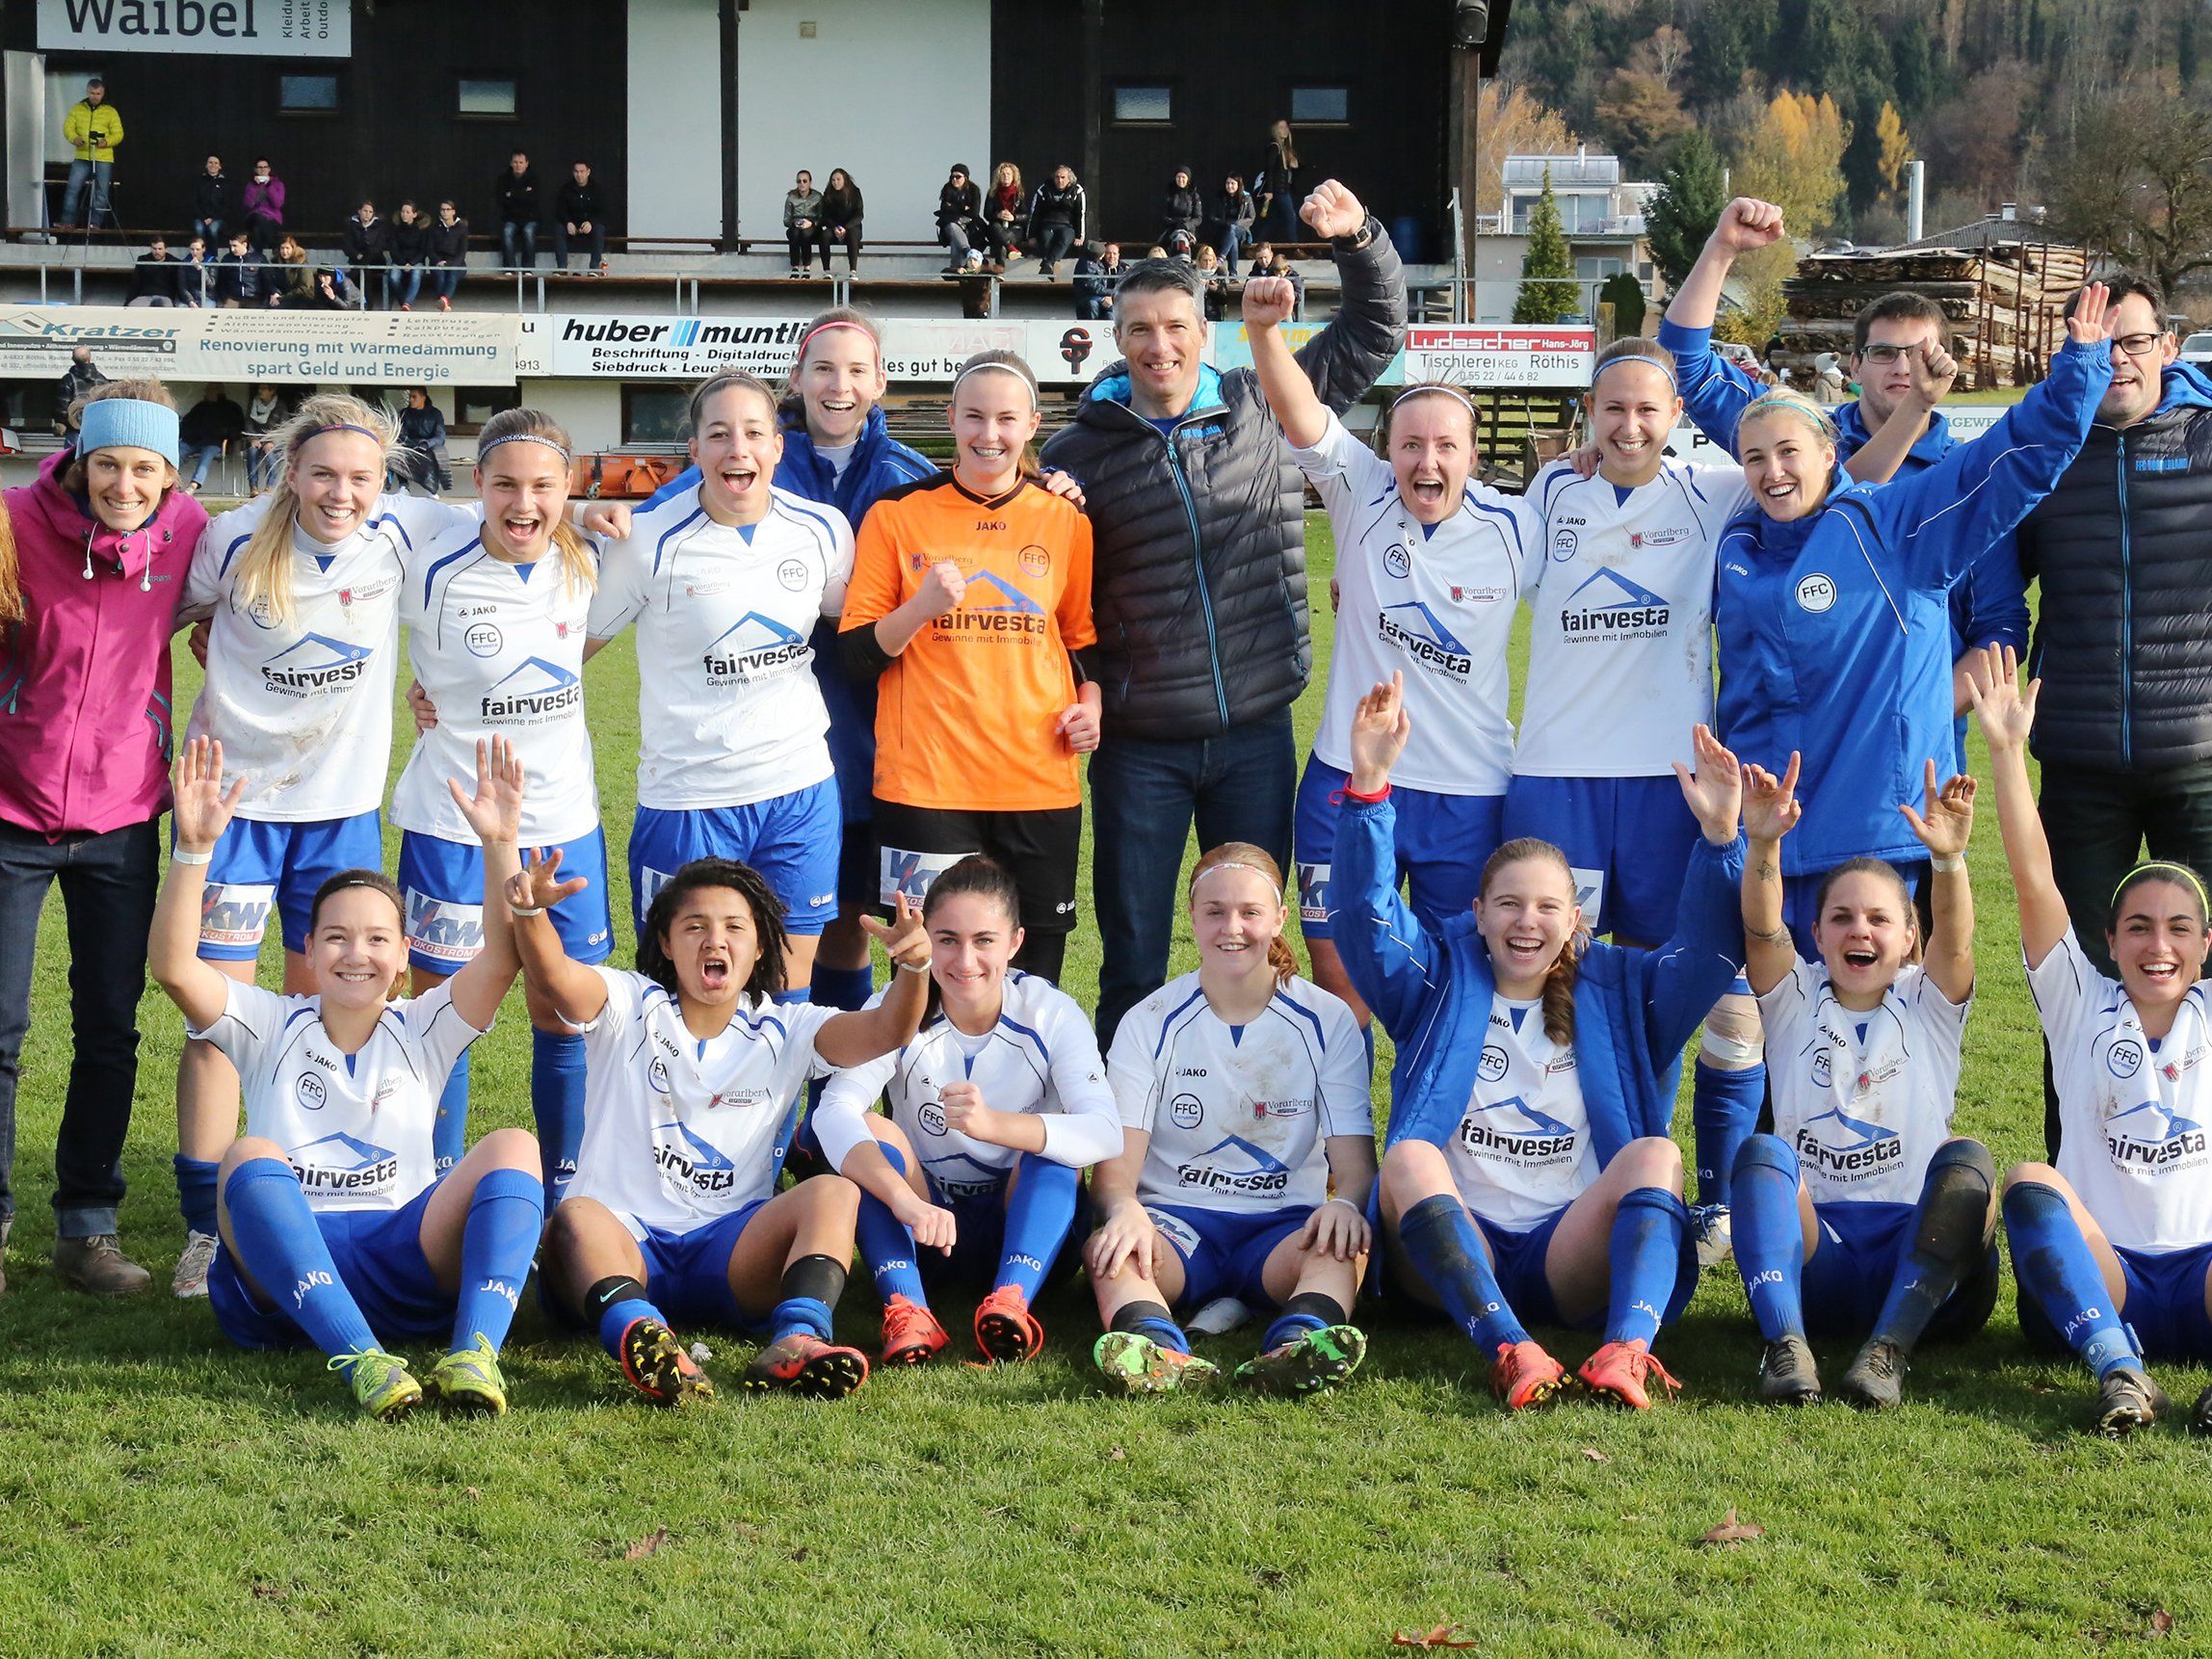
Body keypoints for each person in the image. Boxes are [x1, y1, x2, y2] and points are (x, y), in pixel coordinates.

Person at [1040, 183, 1406, 1044]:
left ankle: (1268, 1117)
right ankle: (1118, 1148)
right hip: (1140, 748)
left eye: (1175, 327)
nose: (1158, 345)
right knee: (1131, 954)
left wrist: (1356, 235)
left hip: (1253, 733)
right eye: (1139, 329)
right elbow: (1056, 600)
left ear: (1204, 334)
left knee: (1256, 947)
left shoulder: (1263, 401)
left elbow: (1375, 330)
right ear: (1116, 337)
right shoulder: (1074, 453)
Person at [1353, 691, 1749, 1410]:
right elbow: (1368, 922)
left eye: (1545, 908)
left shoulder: (1622, 988)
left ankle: (1627, 1351)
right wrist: (1371, 792)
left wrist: (1723, 839)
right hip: (1449, 1242)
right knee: (1409, 1157)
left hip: (1568, 1251)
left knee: (1658, 1156)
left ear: (1576, 920)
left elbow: (1709, 954)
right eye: (1507, 904)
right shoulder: (1438, 978)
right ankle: (1509, 1348)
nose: (1525, 922)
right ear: (1477, 914)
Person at [1705, 287, 2114, 959]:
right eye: (1754, 458)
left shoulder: (1892, 526)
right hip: (1768, 831)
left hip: (1873, 833)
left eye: (1789, 453)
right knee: (1778, 1035)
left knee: (1883, 1042)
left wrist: (2080, 368)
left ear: (1829, 454)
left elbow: (2014, 458)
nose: (1773, 472)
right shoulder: (1738, 541)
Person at [169, 396, 466, 1297]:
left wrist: (607, 512)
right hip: (233, 810)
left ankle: (299, 1197)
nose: (343, 493)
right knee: (217, 1017)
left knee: (316, 1015)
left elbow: (513, 518)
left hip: (338, 812)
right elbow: (166, 613)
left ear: (385, 482)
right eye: (324, 474)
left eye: (361, 478)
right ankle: (204, 1224)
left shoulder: (405, 531)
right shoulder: (232, 537)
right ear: (289, 472)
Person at [151, 734, 543, 1417]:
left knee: (515, 1146)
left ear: (402, 957)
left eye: (376, 939)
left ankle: (476, 1353)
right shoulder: (270, 1022)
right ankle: (363, 1359)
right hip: (289, 1267)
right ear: (307, 948)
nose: (355, 953)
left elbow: (503, 959)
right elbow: (176, 969)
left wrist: (500, 842)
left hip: (405, 1254)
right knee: (248, 1156)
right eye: (335, 936)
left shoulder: (423, 1024)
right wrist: (192, 849)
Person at [1512, 344, 1759, 1262]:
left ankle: (1718, 1196)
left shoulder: (1718, 488)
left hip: (1672, 785)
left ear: (1678, 416)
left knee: (1700, 980)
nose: (1629, 428)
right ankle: (1583, 1168)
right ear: (1588, 412)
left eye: (1648, 411)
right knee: (1558, 984)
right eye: (1612, 410)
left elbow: (1811, 454)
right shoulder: (1549, 495)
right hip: (1556, 777)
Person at [521, 855, 934, 1404]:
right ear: (666, 943)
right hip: (625, 1243)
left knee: (834, 1191)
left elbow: (886, 1030)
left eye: (735, 927)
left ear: (760, 946)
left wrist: (914, 968)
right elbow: (555, 978)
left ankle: (798, 1341)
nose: (715, 941)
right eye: (695, 927)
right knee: (575, 1216)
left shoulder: (788, 1028)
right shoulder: (628, 1003)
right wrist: (529, 915)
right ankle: (642, 1338)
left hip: (731, 1252)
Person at [1243, 275, 1531, 1037]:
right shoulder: (1360, 493)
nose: (1425, 461)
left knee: (1455, 979)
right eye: (1410, 444)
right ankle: (1348, 1157)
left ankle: (1432, 1147)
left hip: (1465, 792)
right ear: (1386, 450)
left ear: (1473, 455)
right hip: (1345, 774)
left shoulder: (1520, 526)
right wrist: (1266, 333)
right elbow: (1301, 415)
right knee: (1337, 971)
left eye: (1445, 446)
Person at [1661, 198, 2030, 781]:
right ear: (1854, 365)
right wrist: (1722, 249)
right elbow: (1686, 366)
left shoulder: (1961, 482)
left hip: (1903, 763)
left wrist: (1906, 707)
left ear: (1946, 362)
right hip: (1774, 754)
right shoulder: (1794, 442)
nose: (1903, 367)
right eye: (1885, 353)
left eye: (1920, 352)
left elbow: (2000, 633)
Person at [0, 381, 209, 1297]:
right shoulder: (12, 521)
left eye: (144, 469)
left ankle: (87, 1227)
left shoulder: (193, 532)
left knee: (110, 1029)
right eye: (109, 465)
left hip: (124, 814)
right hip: (8, 808)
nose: (125, 484)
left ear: (169, 475)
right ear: (80, 462)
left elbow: (330, 525)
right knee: (1, 1029)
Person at [1978, 648, 2212, 1435]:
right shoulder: (2079, 1004)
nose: (2159, 947)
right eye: (2138, 928)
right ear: (2107, 941)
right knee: (2029, 1179)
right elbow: (2035, 880)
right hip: (2101, 1283)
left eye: (2179, 930)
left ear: (2205, 944)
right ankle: (2119, 1373)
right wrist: (2009, 754)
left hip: (2205, 1280)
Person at [1730, 747, 1998, 1409]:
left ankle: (1889, 1352)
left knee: (1967, 1164)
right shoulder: (1795, 998)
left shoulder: (1928, 1003)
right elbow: (1762, 930)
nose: (1860, 930)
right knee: (1762, 1154)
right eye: (1843, 918)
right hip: (1821, 1259)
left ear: (1911, 937)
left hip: (1926, 1264)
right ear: (1817, 935)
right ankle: (1788, 1347)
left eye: (1880, 918)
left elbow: (1958, 944)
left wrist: (1948, 860)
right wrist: (1763, 842)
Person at [2013, 272, 2212, 1155]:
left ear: (2170, 345)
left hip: (2198, 759)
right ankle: (2076, 1182)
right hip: (2080, 762)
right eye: (2094, 344)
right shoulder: (2042, 448)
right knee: (2080, 985)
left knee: (2202, 985)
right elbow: (1977, 568)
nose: (2115, 361)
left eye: (2132, 340)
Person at [392, 408, 613, 1207]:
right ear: (475, 484)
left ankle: (565, 1197)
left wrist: (590, 515)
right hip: (452, 823)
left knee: (564, 1012)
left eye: (544, 487)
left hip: (563, 824)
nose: (525, 503)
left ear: (569, 487)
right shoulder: (426, 559)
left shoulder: (594, 558)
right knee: (443, 1017)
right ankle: (431, 1191)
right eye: (506, 484)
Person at [591, 372, 856, 1002]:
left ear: (777, 448)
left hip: (798, 791)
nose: (737, 448)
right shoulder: (647, 543)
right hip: (688, 799)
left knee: (787, 999)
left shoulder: (823, 530)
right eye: (718, 434)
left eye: (753, 433)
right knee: (680, 999)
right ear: (695, 452)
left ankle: (783, 1109)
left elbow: (861, 636)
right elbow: (570, 646)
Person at [840, 352, 1097, 985]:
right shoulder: (897, 514)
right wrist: (923, 606)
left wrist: (1090, 703)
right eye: (975, 416)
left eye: (1007, 418)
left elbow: (1080, 642)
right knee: (925, 977)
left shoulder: (1064, 519)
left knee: (1033, 980)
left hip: (1037, 780)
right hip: (925, 785)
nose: (990, 434)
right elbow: (855, 656)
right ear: (951, 419)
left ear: (1032, 423)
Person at [1084, 842, 1376, 1396]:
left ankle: (1299, 1344)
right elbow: (1116, 1173)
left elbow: (1357, 1169)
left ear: (1280, 919)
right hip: (1176, 1227)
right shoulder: (1149, 1021)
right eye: (1214, 912)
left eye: (1250, 912)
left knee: (1345, 1244)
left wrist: (1343, 1206)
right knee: (1111, 1252)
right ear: (1191, 917)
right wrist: (1124, 1210)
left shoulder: (1327, 1019)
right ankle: (1154, 1348)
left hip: (1283, 1226)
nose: (1232, 928)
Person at [811, 855, 1121, 1366]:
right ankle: (908, 1308)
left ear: (1016, 942)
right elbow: (831, 1112)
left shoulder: (1050, 1011)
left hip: (1024, 1229)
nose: (965, 961)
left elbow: (1105, 1132)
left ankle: (1011, 1302)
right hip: (927, 1228)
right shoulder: (897, 1006)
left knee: (1057, 1146)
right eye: (947, 940)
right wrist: (904, 1201)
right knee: (866, 1132)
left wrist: (994, 1125)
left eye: (984, 941)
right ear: (923, 939)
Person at [58, 77, 121, 231]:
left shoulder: (110, 111)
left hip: (103, 157)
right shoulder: (77, 108)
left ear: (103, 93)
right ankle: (67, 222)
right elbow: (68, 128)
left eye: (98, 93)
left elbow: (119, 133)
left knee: (101, 192)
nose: (95, 96)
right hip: (82, 156)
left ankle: (95, 223)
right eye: (92, 93)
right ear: (88, 92)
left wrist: (106, 141)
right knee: (73, 188)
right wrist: (75, 138)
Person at [176, 384, 244, 494]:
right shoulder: (201, 406)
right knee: (178, 451)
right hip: (194, 440)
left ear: (218, 392)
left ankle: (193, 485)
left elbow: (238, 428)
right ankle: (169, 479)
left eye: (209, 390)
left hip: (215, 442)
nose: (205, 393)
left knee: (206, 456)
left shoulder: (231, 407)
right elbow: (187, 423)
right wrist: (186, 434)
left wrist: (224, 435)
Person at [1026, 164, 1088, 277]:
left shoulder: (1077, 191)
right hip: (1047, 224)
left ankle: (1048, 263)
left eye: (1063, 177)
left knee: (1065, 238)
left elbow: (1081, 214)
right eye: (1057, 177)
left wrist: (1080, 236)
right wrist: (1031, 235)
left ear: (1069, 179)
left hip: (1067, 226)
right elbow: (1035, 213)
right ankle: (1049, 265)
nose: (1060, 180)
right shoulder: (1043, 189)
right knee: (1045, 239)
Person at [555, 161, 607, 274]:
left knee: (599, 229)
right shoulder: (566, 189)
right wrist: (567, 222)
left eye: (582, 171)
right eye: (576, 172)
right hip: (571, 225)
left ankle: (594, 268)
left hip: (589, 225)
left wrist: (591, 223)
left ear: (588, 172)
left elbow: (602, 212)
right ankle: (562, 268)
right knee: (559, 229)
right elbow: (560, 210)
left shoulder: (597, 189)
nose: (579, 175)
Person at [394, 386, 449, 492]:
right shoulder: (404, 413)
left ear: (423, 398)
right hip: (409, 446)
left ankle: (431, 488)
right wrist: (413, 444)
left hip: (429, 446)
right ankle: (404, 486)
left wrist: (427, 444)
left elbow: (440, 437)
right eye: (410, 397)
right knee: (396, 452)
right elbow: (401, 434)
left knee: (438, 453)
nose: (411, 400)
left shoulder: (435, 414)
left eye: (414, 397)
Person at [1254, 119, 1302, 242]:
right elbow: (1269, 170)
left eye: (1286, 127)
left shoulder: (1285, 149)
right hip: (1279, 190)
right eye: (1281, 127)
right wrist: (1269, 191)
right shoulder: (1274, 147)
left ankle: (1257, 244)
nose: (1285, 130)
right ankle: (1295, 246)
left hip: (1282, 188)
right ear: (1275, 130)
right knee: (1291, 217)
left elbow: (1294, 167)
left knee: (1273, 219)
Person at [934, 165, 984, 274]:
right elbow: (944, 209)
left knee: (955, 240)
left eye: (958, 177)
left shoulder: (974, 190)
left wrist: (954, 207)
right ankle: (968, 253)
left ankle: (956, 268)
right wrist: (963, 207)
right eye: (952, 177)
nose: (954, 179)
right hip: (948, 225)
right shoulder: (947, 189)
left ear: (965, 178)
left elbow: (974, 212)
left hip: (968, 225)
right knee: (952, 227)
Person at [341, 200, 391, 308]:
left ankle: (363, 300)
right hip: (357, 260)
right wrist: (357, 255)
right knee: (365, 271)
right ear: (359, 211)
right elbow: (347, 246)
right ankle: (368, 303)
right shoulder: (351, 226)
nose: (367, 214)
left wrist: (366, 257)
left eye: (370, 211)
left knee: (364, 268)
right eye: (365, 211)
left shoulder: (379, 226)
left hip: (376, 261)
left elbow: (380, 246)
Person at [497, 151, 540, 271]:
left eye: (521, 162)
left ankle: (528, 269)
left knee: (528, 232)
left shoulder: (534, 179)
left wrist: (512, 194)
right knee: (507, 232)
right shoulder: (503, 179)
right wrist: (524, 193)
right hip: (511, 218)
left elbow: (532, 200)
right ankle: (510, 269)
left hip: (530, 218)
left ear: (527, 164)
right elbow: (502, 200)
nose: (518, 165)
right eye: (515, 162)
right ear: (511, 163)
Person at [241, 384, 287, 492]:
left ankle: (269, 487)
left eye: (263, 389)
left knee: (271, 455)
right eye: (259, 388)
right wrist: (253, 438)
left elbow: (285, 426)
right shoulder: (253, 403)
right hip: (256, 439)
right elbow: (248, 423)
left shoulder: (280, 405)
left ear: (272, 391)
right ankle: (253, 487)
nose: (259, 391)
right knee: (252, 453)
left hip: (274, 440)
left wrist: (272, 441)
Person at [1208, 174, 1256, 276]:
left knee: (1233, 229)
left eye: (1233, 183)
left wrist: (1237, 223)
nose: (1230, 186)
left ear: (1238, 185)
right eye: (1228, 183)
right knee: (1232, 238)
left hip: (1241, 231)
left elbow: (1251, 218)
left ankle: (1221, 257)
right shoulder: (1220, 197)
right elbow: (1212, 216)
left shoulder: (1246, 197)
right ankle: (1233, 273)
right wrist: (1225, 223)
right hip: (1223, 231)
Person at [819, 168, 863, 276]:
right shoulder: (828, 193)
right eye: (833, 180)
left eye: (838, 179)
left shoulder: (855, 192)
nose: (835, 182)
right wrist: (835, 227)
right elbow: (825, 216)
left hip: (851, 227)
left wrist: (846, 228)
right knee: (824, 235)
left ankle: (853, 271)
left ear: (845, 180)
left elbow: (859, 214)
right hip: (834, 227)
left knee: (852, 234)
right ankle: (826, 270)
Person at [427, 199, 469, 310]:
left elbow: (462, 251)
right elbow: (430, 249)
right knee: (440, 277)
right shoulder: (434, 227)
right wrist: (437, 261)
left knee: (452, 275)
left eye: (448, 209)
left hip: (457, 263)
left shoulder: (462, 228)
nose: (445, 212)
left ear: (453, 212)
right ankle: (445, 303)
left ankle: (443, 300)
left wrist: (451, 264)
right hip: (438, 262)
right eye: (442, 210)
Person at [784, 170, 827, 277]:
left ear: (810, 182)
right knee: (795, 233)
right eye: (799, 181)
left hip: (813, 226)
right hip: (796, 225)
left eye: (804, 181)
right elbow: (786, 220)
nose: (802, 184)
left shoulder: (817, 196)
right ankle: (794, 266)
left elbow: (822, 218)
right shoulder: (791, 197)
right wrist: (794, 223)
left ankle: (807, 267)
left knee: (805, 234)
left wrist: (811, 223)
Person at [54, 347, 107, 433]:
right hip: (97, 429)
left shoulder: (68, 380)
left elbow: (62, 408)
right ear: (90, 358)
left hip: (75, 430)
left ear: (73, 360)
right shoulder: (102, 380)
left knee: (75, 447)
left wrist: (66, 423)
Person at [387, 200, 429, 311]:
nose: (404, 214)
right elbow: (393, 249)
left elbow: (423, 251)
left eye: (407, 212)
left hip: (416, 262)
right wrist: (403, 263)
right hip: (399, 261)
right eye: (403, 212)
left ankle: (407, 303)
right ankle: (404, 303)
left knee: (416, 276)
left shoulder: (421, 231)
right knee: (393, 278)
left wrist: (412, 263)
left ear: (414, 215)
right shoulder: (395, 230)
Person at [212, 231, 267, 309]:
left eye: (235, 246)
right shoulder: (227, 259)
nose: (232, 249)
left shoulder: (259, 259)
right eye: (230, 246)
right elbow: (221, 282)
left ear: (244, 244)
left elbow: (267, 280)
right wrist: (224, 299)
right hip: (232, 299)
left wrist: (265, 299)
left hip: (254, 299)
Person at [242, 158, 285, 258]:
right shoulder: (250, 185)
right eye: (260, 167)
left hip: (272, 219)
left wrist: (268, 186)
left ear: (269, 169)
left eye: (265, 167)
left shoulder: (278, 184)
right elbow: (248, 204)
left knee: (257, 230)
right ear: (255, 170)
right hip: (254, 217)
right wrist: (256, 186)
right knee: (258, 218)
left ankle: (258, 258)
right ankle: (275, 247)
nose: (262, 170)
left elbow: (277, 204)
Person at [985, 162, 1024, 268]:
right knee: (995, 228)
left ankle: (1000, 268)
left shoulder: (1019, 193)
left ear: (1013, 177)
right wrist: (998, 215)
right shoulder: (992, 193)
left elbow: (1027, 215)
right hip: (997, 226)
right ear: (998, 177)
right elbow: (986, 214)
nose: (1006, 176)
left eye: (1008, 174)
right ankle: (1011, 248)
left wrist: (1014, 217)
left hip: (1015, 228)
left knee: (1001, 239)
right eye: (1003, 174)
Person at [1160, 166, 1204, 258]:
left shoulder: (1194, 195)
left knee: (1181, 238)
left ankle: (1183, 261)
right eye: (1178, 177)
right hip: (1172, 228)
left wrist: (1186, 225)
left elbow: (1198, 218)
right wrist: (1175, 223)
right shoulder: (1169, 193)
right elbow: (1164, 215)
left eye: (1183, 177)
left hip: (1188, 230)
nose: (1180, 180)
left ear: (1188, 179)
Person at [1072, 241, 1122, 320]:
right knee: (1093, 304)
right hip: (1093, 298)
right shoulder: (1091, 264)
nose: (1111, 256)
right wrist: (1108, 296)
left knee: (1111, 314)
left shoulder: (1123, 269)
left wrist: (1112, 298)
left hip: (1110, 299)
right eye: (1108, 253)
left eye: (1114, 253)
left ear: (1119, 255)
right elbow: (1092, 286)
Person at [127, 238, 183, 307]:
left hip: (165, 297)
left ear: (165, 249)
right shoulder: (143, 260)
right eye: (154, 248)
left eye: (160, 249)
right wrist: (127, 302)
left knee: (167, 310)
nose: (157, 251)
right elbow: (135, 282)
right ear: (150, 248)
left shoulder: (174, 262)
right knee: (131, 308)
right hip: (145, 296)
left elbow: (181, 284)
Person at [192, 153, 229, 246]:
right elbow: (194, 203)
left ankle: (213, 256)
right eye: (210, 162)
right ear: (206, 165)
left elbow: (227, 205)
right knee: (199, 229)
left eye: (216, 163)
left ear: (220, 166)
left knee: (213, 228)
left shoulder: (225, 183)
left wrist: (213, 218)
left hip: (218, 218)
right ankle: (201, 256)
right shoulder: (199, 181)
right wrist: (204, 218)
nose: (213, 165)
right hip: (201, 218)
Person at [178, 235, 217, 308]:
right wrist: (190, 301)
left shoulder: (212, 262)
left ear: (204, 249)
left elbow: (211, 285)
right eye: (192, 249)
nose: (194, 252)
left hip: (207, 298)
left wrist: (200, 269)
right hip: (188, 299)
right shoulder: (184, 263)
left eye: (198, 249)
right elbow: (182, 287)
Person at [1193, 245, 1229, 321]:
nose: (1207, 263)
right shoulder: (1192, 271)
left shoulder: (1219, 272)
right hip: (1194, 312)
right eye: (1205, 260)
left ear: (1214, 260)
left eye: (1210, 260)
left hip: (1213, 313)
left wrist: (1215, 288)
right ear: (1199, 260)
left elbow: (1224, 299)